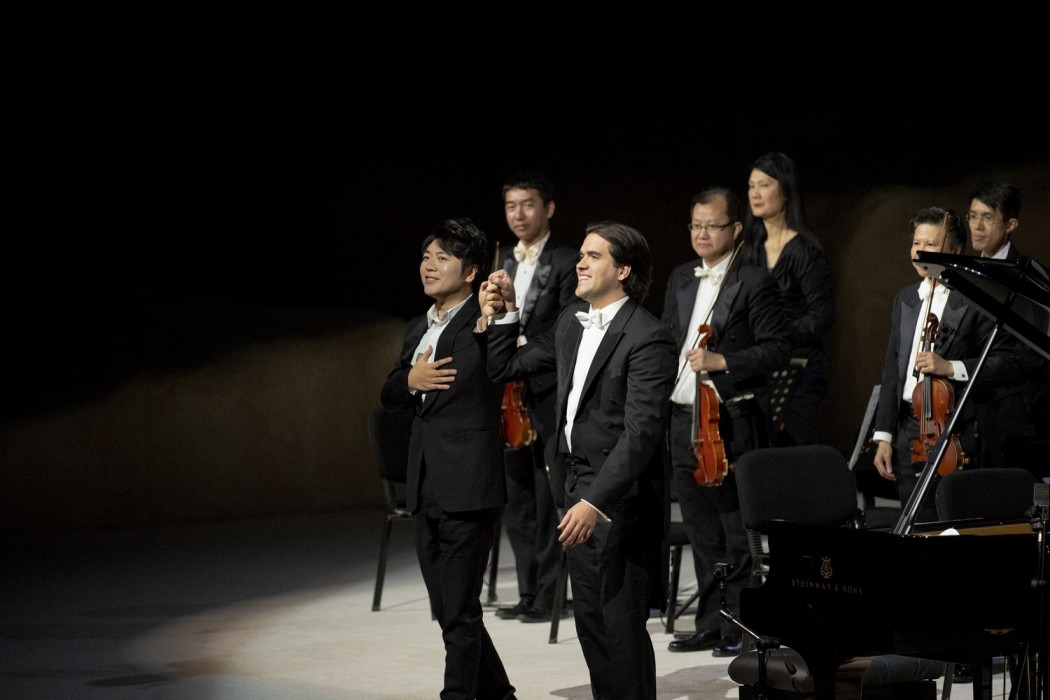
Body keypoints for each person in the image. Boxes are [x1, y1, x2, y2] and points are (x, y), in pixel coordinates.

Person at [479, 221, 677, 699]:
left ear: (623, 269)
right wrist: (506, 315)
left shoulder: (649, 336)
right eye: (582, 255)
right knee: (590, 620)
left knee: (620, 622)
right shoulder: (572, 319)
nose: (580, 264)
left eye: (593, 256)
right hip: (572, 483)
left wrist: (595, 502)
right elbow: (506, 368)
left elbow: (640, 435)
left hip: (618, 496)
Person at [379, 218, 516, 700]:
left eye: (443, 257)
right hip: (425, 484)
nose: (429, 266)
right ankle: (501, 697)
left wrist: (498, 313)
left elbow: (497, 350)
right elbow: (389, 393)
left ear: (471, 270)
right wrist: (410, 380)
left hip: (469, 485)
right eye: (426, 256)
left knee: (458, 612)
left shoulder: (480, 320)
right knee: (451, 610)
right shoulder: (419, 327)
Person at [661, 187, 790, 656]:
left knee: (734, 528)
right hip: (682, 419)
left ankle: (739, 623)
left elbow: (777, 349)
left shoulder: (754, 280)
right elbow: (667, 342)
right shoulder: (681, 277)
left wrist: (723, 360)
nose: (701, 233)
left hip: (729, 419)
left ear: (735, 230)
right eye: (695, 225)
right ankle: (711, 622)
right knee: (700, 527)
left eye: (711, 225)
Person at [871, 207, 1014, 524]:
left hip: (955, 428)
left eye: (931, 244)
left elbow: (1005, 363)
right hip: (909, 429)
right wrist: (883, 436)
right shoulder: (906, 298)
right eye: (916, 243)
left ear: (955, 250)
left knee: (952, 522)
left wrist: (951, 367)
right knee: (913, 523)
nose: (919, 252)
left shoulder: (976, 301)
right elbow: (892, 370)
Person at [494, 170, 579, 624]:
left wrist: (518, 346)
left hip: (546, 391)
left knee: (547, 497)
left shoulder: (565, 261)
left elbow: (566, 326)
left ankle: (550, 592)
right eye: (511, 206)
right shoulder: (501, 261)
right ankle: (528, 590)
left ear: (548, 208)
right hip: (508, 394)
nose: (519, 214)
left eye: (528, 204)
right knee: (516, 495)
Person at [743, 152, 835, 446]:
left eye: (764, 185)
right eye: (751, 186)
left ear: (785, 191)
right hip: (761, 367)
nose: (755, 193)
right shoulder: (748, 249)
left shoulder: (804, 251)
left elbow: (822, 316)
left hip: (800, 366)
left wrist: (777, 335)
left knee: (794, 450)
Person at [965, 180, 1050, 469]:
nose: (977, 226)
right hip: (972, 415)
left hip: (1016, 416)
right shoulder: (963, 274)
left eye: (987, 218)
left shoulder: (1031, 278)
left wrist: (960, 368)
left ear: (1011, 224)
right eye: (973, 216)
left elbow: (1032, 356)